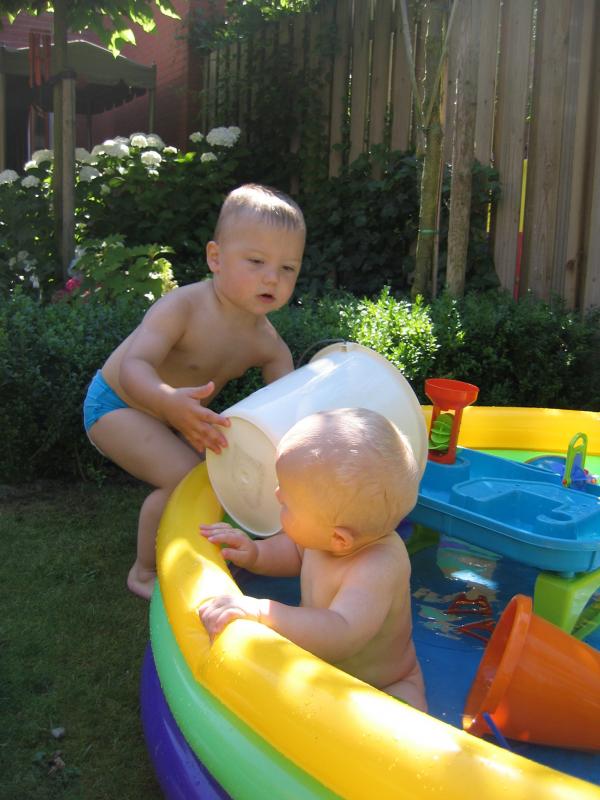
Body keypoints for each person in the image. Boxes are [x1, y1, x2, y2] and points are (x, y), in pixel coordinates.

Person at [83, 183, 306, 600]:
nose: (272, 277)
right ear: (215, 259)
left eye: (288, 268)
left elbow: (287, 401)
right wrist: (167, 401)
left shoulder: (267, 343)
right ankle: (144, 572)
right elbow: (134, 367)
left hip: (176, 415)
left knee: (221, 478)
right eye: (256, 261)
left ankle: (203, 549)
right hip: (117, 404)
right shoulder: (183, 307)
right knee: (185, 480)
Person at [199, 408, 427, 711]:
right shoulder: (326, 537)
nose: (278, 495)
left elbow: (341, 631)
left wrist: (261, 611)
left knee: (405, 735)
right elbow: (294, 553)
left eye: (289, 502)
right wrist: (255, 553)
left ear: (339, 539)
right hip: (324, 675)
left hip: (384, 685)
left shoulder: (378, 567)